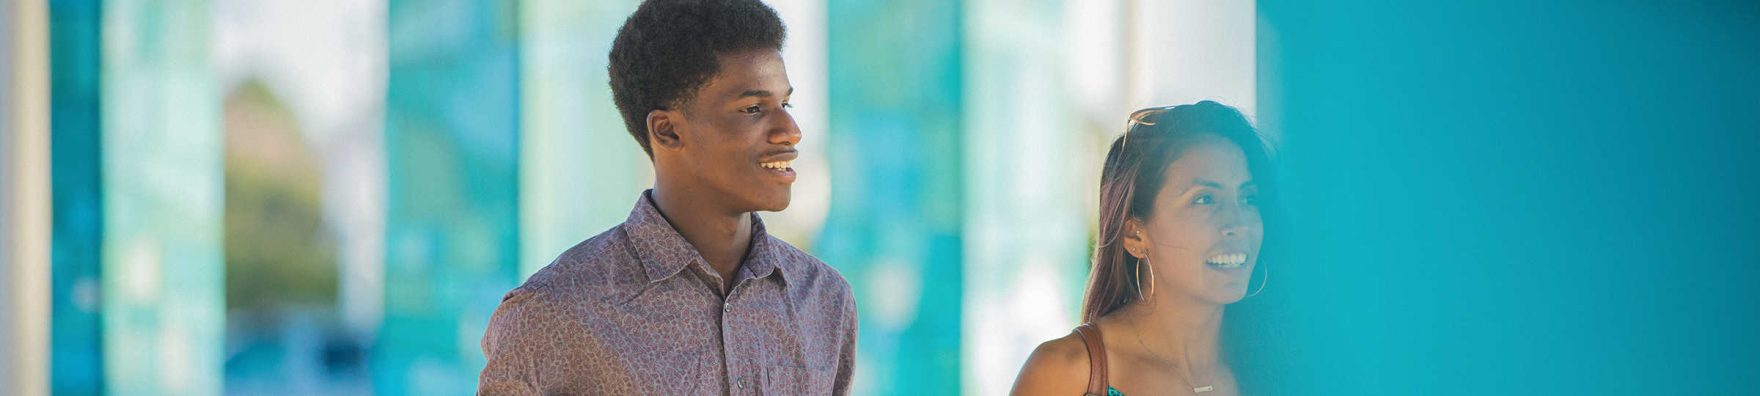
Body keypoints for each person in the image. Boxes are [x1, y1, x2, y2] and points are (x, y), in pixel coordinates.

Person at [477, 1, 856, 394]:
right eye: (753, 108)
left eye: (786, 104)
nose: (790, 130)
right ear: (668, 131)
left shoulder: (825, 298)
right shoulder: (553, 313)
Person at [1011, 101, 1274, 396]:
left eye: (1248, 198)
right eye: (1204, 199)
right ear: (1134, 235)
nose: (1238, 224)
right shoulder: (1066, 374)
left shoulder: (1279, 367)